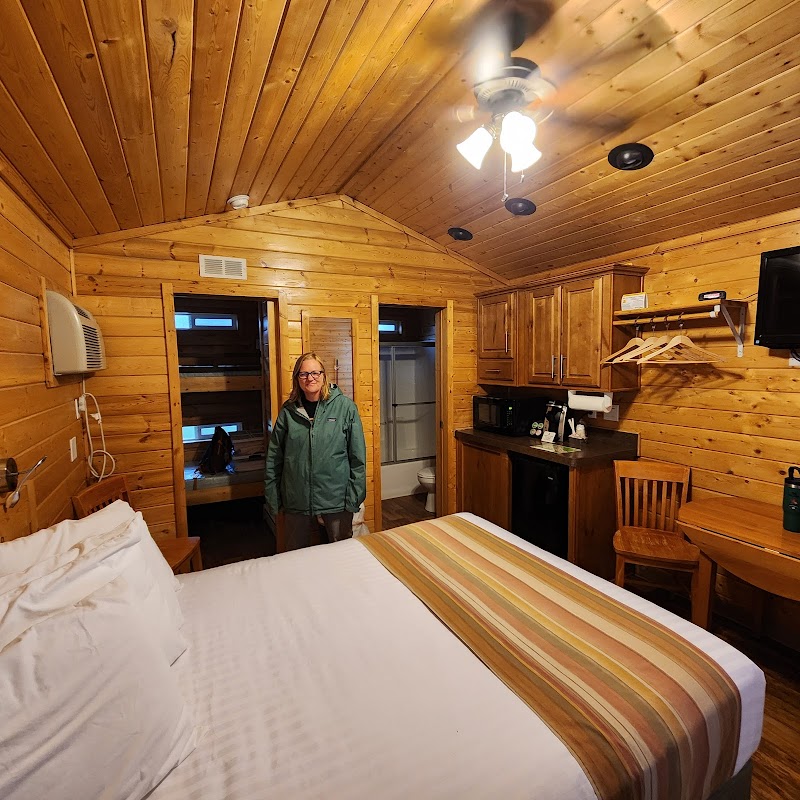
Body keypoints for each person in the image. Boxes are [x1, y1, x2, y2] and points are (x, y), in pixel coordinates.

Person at [265, 352, 367, 551]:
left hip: (336, 497)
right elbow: (274, 457)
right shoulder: (288, 412)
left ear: (323, 375)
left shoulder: (345, 408)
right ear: (297, 378)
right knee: (296, 554)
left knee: (341, 551)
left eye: (315, 372)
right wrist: (273, 497)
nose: (310, 378)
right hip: (296, 497)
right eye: (303, 374)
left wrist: (354, 496)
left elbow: (358, 457)